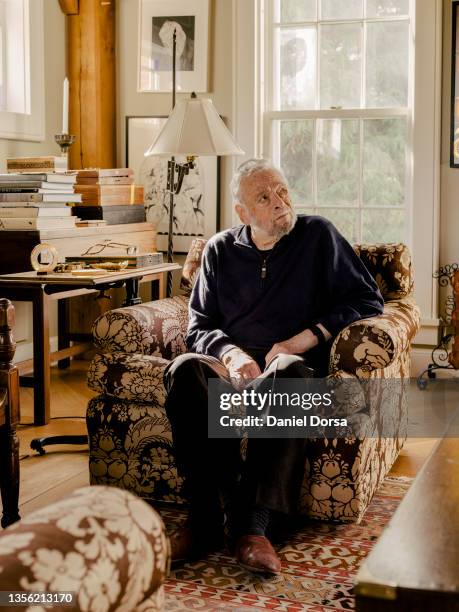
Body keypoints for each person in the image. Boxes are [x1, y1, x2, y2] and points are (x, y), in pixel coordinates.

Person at [164, 158, 384, 574]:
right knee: (185, 369)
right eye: (264, 197)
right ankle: (206, 518)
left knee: (287, 373)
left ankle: (254, 526)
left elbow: (368, 299)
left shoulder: (318, 236)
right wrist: (231, 354)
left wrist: (305, 338)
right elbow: (199, 324)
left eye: (282, 190)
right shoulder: (219, 250)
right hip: (231, 371)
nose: (280, 201)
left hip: (291, 368)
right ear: (243, 213)